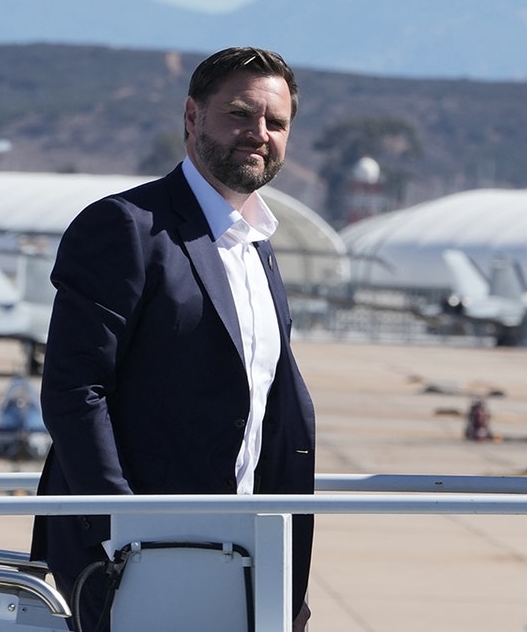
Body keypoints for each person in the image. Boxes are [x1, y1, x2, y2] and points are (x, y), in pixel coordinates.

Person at [30, 47, 316, 631]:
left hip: (242, 552)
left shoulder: (255, 246)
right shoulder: (126, 227)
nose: (258, 134)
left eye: (276, 123)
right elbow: (74, 391)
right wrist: (128, 532)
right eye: (239, 114)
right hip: (136, 563)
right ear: (192, 116)